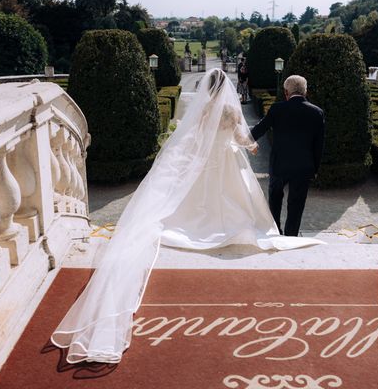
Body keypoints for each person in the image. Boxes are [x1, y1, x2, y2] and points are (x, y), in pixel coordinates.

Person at [51, 69, 324, 364]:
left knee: (207, 198)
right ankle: (279, 234)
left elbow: (196, 138)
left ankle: (202, 227)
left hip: (209, 164)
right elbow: (242, 136)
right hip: (237, 162)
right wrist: (251, 145)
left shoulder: (205, 109)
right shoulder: (234, 110)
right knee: (245, 198)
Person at [251, 75, 325, 237]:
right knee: (296, 206)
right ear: (305, 92)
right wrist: (315, 169)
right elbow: (318, 145)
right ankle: (291, 236)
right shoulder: (317, 113)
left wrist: (240, 138)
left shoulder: (277, 109)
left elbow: (259, 130)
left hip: (279, 165)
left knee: (275, 200)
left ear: (286, 92)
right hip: (303, 167)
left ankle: (275, 231)